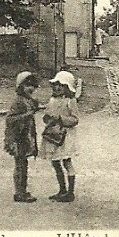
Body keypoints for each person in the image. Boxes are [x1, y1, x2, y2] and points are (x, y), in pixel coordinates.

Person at [40, 70, 80, 202]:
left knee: (66, 162)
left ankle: (70, 192)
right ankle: (61, 189)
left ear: (67, 87)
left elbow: (75, 119)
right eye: (55, 85)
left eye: (61, 85)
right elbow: (47, 116)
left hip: (65, 136)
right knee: (55, 161)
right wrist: (47, 119)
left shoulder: (70, 101)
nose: (57, 88)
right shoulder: (52, 100)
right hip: (54, 135)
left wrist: (61, 119)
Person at [3, 71, 41, 203]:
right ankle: (20, 192)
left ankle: (22, 190)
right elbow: (10, 119)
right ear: (20, 87)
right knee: (20, 165)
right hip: (18, 138)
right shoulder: (18, 102)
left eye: (32, 85)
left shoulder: (27, 100)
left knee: (23, 164)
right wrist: (28, 114)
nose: (30, 88)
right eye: (27, 85)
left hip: (25, 137)